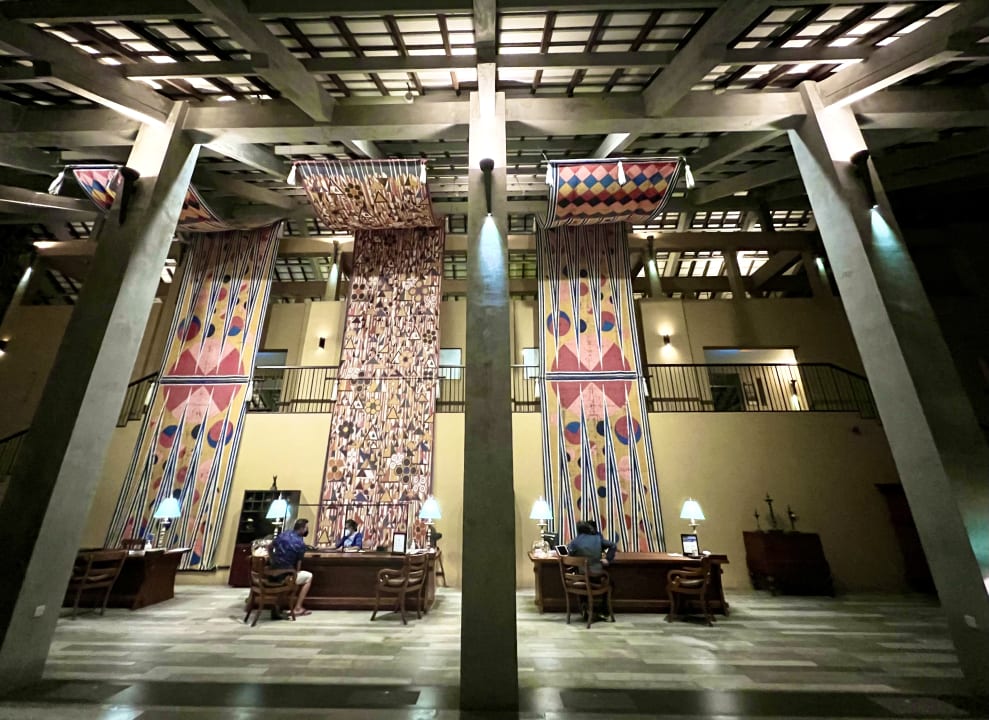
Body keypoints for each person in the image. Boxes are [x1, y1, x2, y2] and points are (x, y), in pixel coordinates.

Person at [267, 518, 313, 618]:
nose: (307, 530)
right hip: (286, 576)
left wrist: (272, 559)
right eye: (306, 528)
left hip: (272, 574)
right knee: (308, 577)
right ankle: (298, 607)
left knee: (287, 578)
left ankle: (278, 605)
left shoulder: (283, 534)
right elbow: (298, 567)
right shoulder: (300, 544)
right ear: (302, 529)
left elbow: (269, 547)